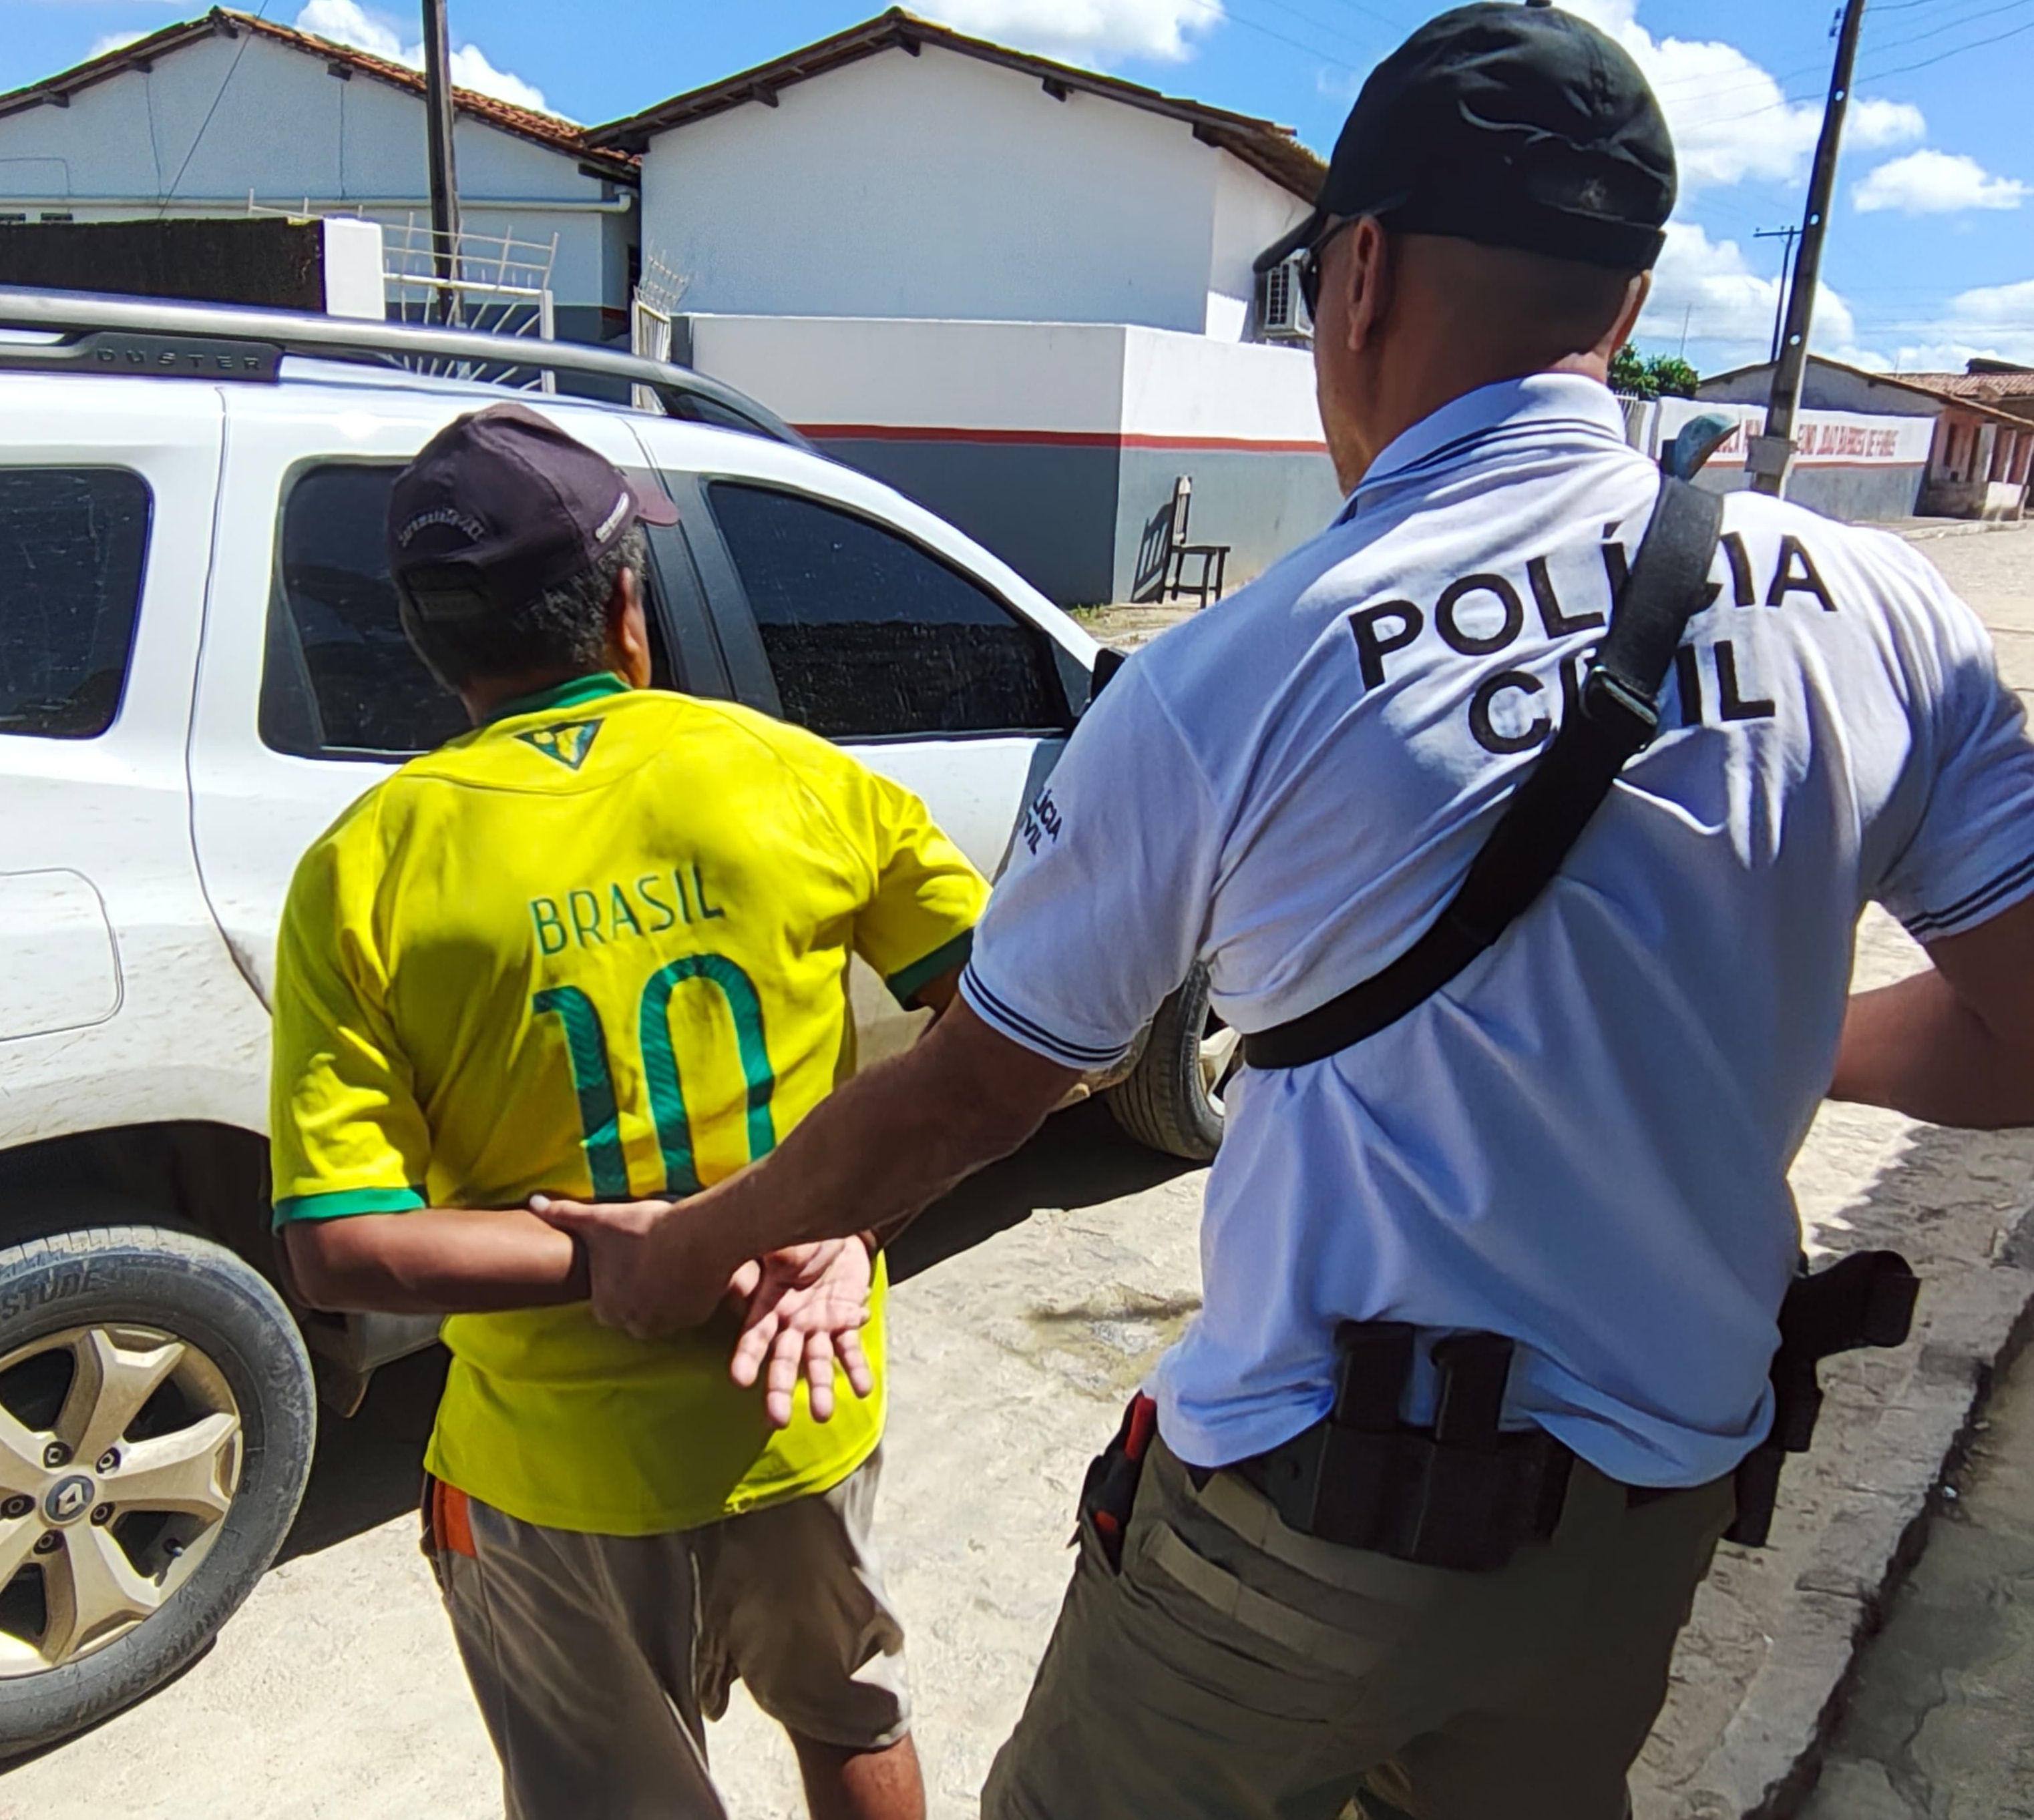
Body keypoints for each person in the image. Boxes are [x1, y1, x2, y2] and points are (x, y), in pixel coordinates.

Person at [537, 5, 2034, 1816]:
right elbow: (2013, 1037)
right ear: (1625, 304)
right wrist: (1762, 1028)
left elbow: (964, 1097)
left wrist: (686, 1245)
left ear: (1361, 274)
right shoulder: (1878, 604)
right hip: (1643, 1529)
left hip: (1293, 1553)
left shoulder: (1229, 676)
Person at [269, 403, 988, 1820]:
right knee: (848, 1716)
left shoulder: (365, 865)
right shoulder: (793, 776)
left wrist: (618, 1253)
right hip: (793, 1403)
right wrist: (844, 1227)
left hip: (546, 1469)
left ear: (425, 641)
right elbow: (1022, 1036)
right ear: (624, 603)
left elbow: (342, 1246)